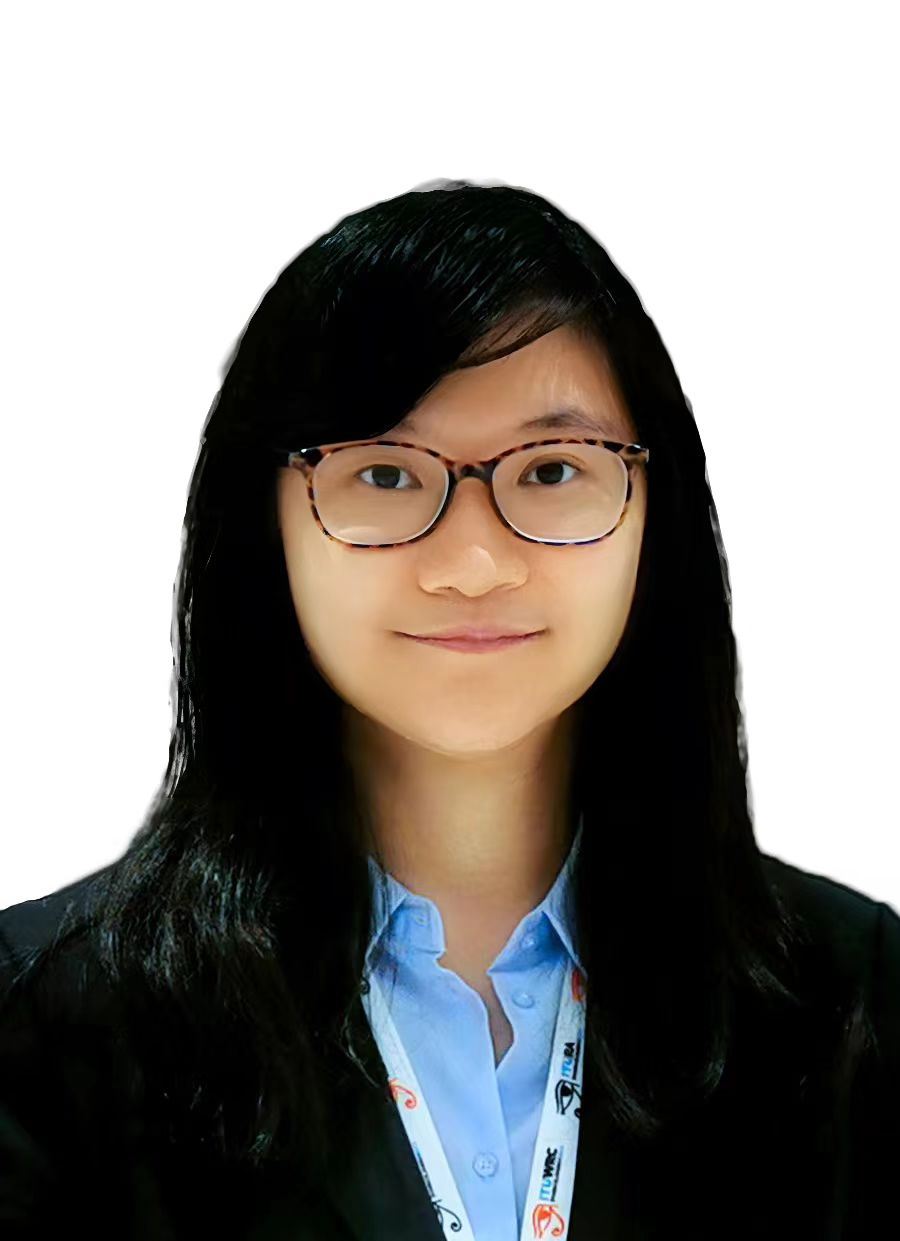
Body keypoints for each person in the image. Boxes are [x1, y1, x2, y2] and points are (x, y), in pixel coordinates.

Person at [1, 179, 897, 1241]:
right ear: (266, 521)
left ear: (654, 515)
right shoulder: (49, 1021)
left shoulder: (853, 998)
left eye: (552, 468)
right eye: (384, 473)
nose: (472, 563)